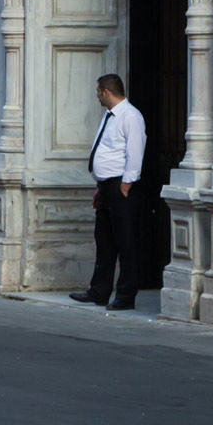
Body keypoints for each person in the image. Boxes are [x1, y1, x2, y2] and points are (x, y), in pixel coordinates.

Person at [71, 74, 148, 311]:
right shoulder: (109, 115)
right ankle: (99, 291)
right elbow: (106, 151)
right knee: (103, 241)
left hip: (120, 188)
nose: (96, 95)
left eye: (97, 91)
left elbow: (135, 153)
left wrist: (125, 185)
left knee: (125, 243)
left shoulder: (130, 116)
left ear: (106, 92)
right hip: (106, 187)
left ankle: (125, 296)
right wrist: (99, 186)